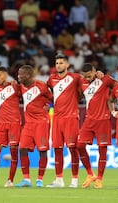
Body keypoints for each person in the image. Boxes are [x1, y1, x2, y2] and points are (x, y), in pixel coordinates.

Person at [78, 63, 116, 189]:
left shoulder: (105, 79)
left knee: (102, 150)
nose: (87, 79)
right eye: (85, 77)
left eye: (89, 76)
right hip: (89, 120)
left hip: (103, 120)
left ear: (95, 71)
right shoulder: (81, 82)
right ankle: (90, 174)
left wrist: (111, 102)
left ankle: (99, 178)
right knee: (79, 145)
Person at [46, 53, 81, 188]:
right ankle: (59, 180)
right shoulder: (52, 79)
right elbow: (46, 91)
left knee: (73, 149)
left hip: (71, 118)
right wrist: (47, 103)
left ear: (67, 64)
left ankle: (74, 180)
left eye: (61, 63)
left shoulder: (75, 77)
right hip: (57, 118)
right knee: (57, 149)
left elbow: (89, 83)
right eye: (57, 63)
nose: (59, 65)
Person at [15, 65, 53, 187]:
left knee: (42, 150)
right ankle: (26, 179)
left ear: (29, 75)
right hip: (29, 123)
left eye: (21, 74)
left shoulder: (41, 86)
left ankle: (40, 180)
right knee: (22, 149)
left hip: (41, 122)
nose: (18, 76)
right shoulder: (20, 87)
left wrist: (49, 106)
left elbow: (53, 98)